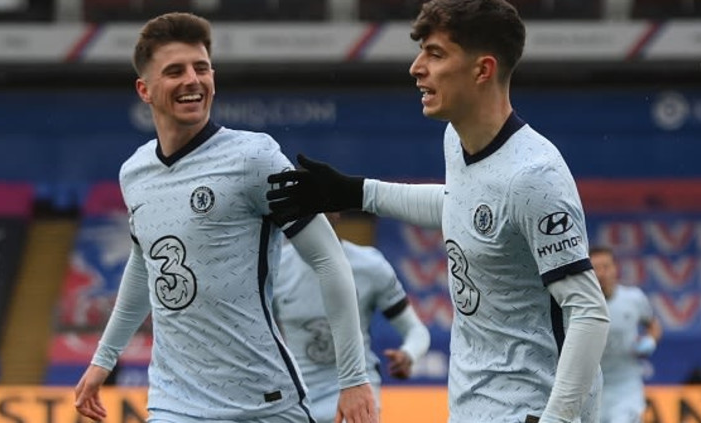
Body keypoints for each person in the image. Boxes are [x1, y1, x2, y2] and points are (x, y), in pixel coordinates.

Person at [266, 1, 611, 422]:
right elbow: (459, 207)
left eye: (435, 54)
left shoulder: (535, 176)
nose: (416, 68)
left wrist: (557, 419)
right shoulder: (456, 140)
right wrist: (353, 192)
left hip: (530, 408)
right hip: (472, 404)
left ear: (482, 70)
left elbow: (588, 311)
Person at [73, 12, 378, 423]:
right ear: (144, 90)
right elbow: (145, 265)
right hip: (173, 403)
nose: (192, 80)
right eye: (175, 71)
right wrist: (103, 359)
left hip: (263, 403)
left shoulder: (255, 158)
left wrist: (354, 378)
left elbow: (328, 259)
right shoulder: (135, 173)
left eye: (201, 68)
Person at [272, 213, 431, 423]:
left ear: (336, 212)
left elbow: (416, 330)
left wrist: (409, 354)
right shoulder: (275, 269)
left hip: (359, 391)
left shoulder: (371, 265)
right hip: (297, 398)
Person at [590, 246, 662, 423]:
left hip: (626, 385)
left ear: (615, 268)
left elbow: (653, 324)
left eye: (606, 267)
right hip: (591, 387)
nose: (601, 273)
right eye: (595, 268)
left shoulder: (634, 298)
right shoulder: (578, 306)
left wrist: (650, 341)